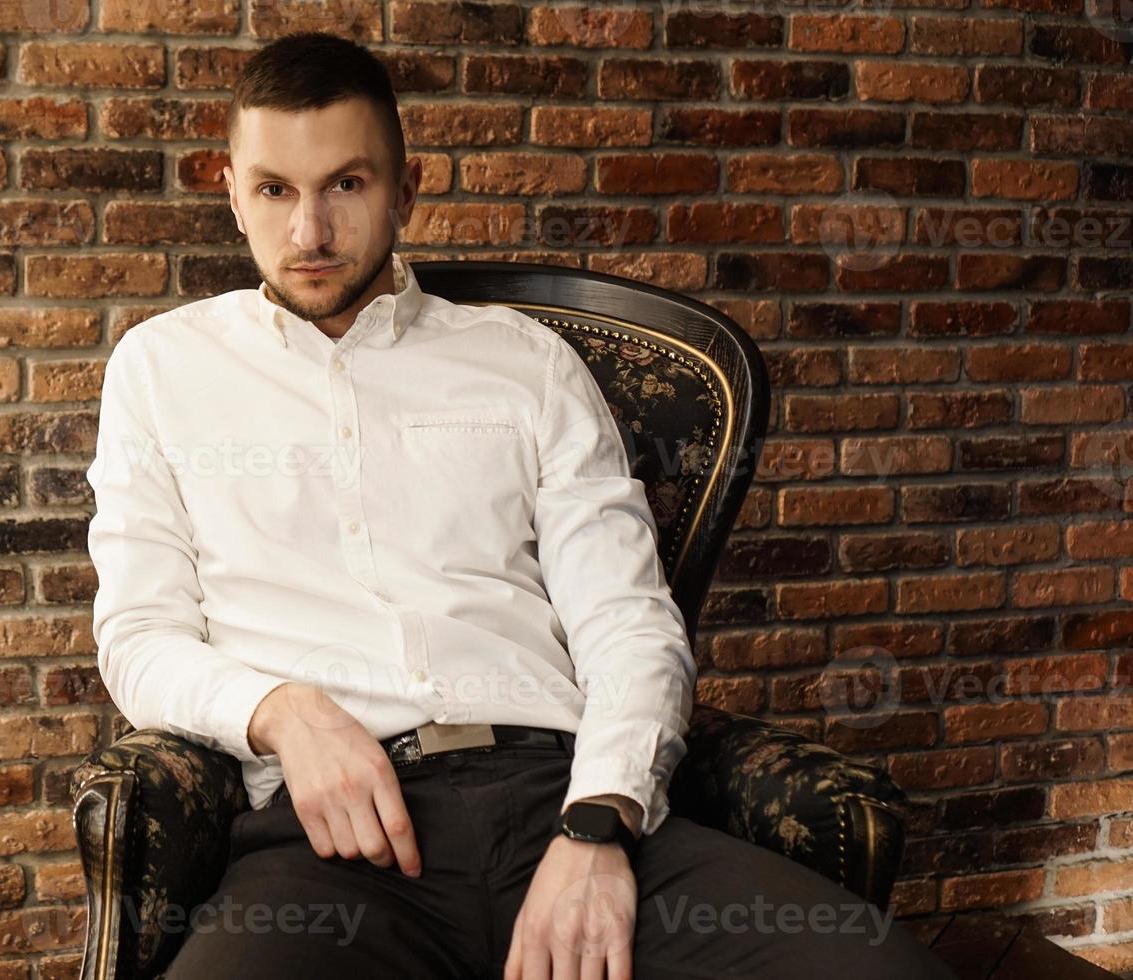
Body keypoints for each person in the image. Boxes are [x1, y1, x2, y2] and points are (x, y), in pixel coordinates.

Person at [85, 30, 957, 980]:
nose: (310, 233)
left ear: (406, 188)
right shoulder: (162, 370)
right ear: (230, 190)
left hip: (563, 795)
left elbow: (629, 622)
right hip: (328, 852)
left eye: (347, 184)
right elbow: (139, 638)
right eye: (275, 190)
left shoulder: (523, 362)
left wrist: (601, 822)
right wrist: (284, 712)